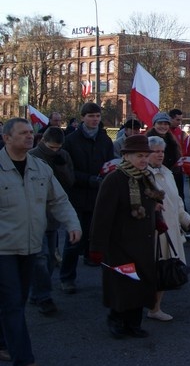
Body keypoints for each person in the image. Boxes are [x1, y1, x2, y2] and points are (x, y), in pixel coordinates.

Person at [0, 118, 81, 366]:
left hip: (31, 246)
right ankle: (24, 361)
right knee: (12, 302)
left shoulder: (39, 167)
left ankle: (4, 339)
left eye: (30, 132)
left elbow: (57, 199)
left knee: (18, 301)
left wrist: (72, 223)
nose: (29, 136)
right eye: (22, 133)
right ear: (6, 138)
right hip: (3, 249)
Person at [88, 134, 162, 340]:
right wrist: (97, 247)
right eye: (139, 156)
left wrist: (159, 220)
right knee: (122, 284)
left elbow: (154, 203)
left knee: (141, 283)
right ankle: (117, 320)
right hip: (120, 243)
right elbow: (102, 216)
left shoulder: (146, 177)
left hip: (143, 241)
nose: (144, 160)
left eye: (146, 156)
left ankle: (134, 323)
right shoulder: (114, 179)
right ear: (126, 156)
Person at [59, 102, 115, 294]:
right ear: (82, 117)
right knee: (73, 240)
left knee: (99, 238)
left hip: (99, 196)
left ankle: (103, 272)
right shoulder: (71, 140)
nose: (95, 120)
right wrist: (89, 179)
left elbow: (110, 163)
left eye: (97, 116)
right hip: (77, 196)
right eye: (91, 116)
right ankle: (67, 278)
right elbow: (68, 171)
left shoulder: (105, 140)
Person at [146, 136, 190, 321]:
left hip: (170, 229)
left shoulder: (167, 173)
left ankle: (155, 308)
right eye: (155, 151)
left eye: (162, 151)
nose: (160, 155)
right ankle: (143, 307)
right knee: (152, 271)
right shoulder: (143, 175)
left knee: (164, 271)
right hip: (153, 232)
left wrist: (188, 221)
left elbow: (177, 202)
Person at [27, 126, 75, 316]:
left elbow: (69, 181)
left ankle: (37, 292)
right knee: (41, 257)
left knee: (49, 259)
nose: (53, 151)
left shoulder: (63, 155)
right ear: (43, 141)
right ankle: (43, 295)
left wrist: (61, 165)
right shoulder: (32, 156)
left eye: (57, 148)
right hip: (35, 215)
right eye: (51, 147)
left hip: (52, 215)